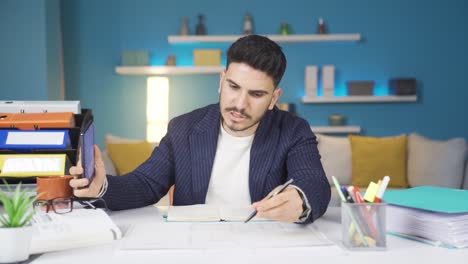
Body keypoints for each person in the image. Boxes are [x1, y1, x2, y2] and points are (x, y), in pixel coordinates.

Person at [70, 35, 330, 223]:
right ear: (221, 81)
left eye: (257, 94)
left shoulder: (293, 130)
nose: (240, 104)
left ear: (274, 98)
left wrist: (300, 199)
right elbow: (145, 183)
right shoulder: (183, 128)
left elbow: (314, 183)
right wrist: (101, 188)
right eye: (234, 87)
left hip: (263, 249)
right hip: (194, 248)